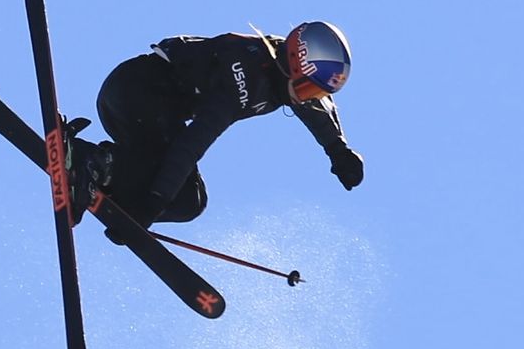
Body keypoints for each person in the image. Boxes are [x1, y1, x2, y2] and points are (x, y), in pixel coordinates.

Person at [76, 21, 363, 231]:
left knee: (189, 202)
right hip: (137, 94)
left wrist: (338, 150)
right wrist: (153, 204)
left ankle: (101, 180)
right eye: (306, 90)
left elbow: (317, 110)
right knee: (179, 193)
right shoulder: (245, 80)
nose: (305, 100)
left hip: (142, 110)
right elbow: (191, 144)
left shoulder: (280, 70)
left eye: (315, 94)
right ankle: (97, 163)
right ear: (293, 65)